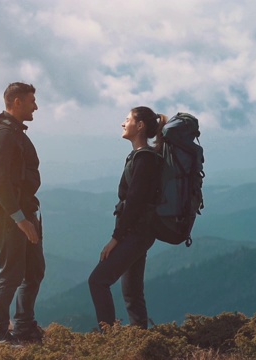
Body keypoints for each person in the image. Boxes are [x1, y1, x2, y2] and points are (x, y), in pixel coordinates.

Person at [88, 106, 165, 330]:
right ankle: (139, 340)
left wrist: (116, 238)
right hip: (139, 231)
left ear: (139, 125)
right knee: (131, 291)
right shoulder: (141, 156)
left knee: (98, 281)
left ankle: (110, 339)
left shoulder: (145, 159)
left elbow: (135, 203)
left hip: (136, 232)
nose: (123, 123)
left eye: (127, 119)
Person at [0, 82, 45, 344]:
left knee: (34, 271)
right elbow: (0, 183)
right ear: (16, 102)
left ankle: (23, 326)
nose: (36, 106)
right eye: (32, 101)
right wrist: (20, 220)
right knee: (10, 275)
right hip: (9, 217)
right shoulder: (3, 135)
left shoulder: (14, 132)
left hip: (24, 213)